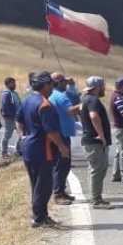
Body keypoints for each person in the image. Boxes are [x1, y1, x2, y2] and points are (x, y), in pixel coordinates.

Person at [17, 70, 70, 229]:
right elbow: (52, 131)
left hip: (29, 148)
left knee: (36, 185)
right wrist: (62, 147)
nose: (52, 88)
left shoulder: (27, 100)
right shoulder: (44, 105)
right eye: (51, 85)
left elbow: (19, 119)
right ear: (46, 84)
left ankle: (41, 215)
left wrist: (22, 136)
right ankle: (39, 219)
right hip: (43, 149)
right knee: (45, 186)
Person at [79, 76, 114, 209]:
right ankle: (96, 199)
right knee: (97, 170)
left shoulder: (84, 99)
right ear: (98, 87)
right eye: (103, 86)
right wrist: (101, 134)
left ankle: (95, 197)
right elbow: (93, 116)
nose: (104, 88)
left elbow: (79, 113)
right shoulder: (93, 100)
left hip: (89, 140)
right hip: (94, 141)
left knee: (96, 169)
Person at [48, 72, 81, 205]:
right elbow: (71, 110)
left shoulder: (52, 95)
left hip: (57, 132)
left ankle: (60, 189)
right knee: (62, 164)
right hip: (62, 133)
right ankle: (58, 193)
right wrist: (84, 105)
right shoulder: (61, 96)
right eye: (64, 82)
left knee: (59, 164)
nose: (66, 84)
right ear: (59, 83)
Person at [0, 77, 21, 159]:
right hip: (10, 118)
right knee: (7, 135)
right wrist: (11, 115)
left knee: (21, 133)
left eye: (14, 83)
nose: (14, 84)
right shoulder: (6, 94)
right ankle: (3, 153)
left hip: (18, 117)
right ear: (7, 84)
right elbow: (5, 106)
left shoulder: (14, 93)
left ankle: (17, 150)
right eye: (12, 83)